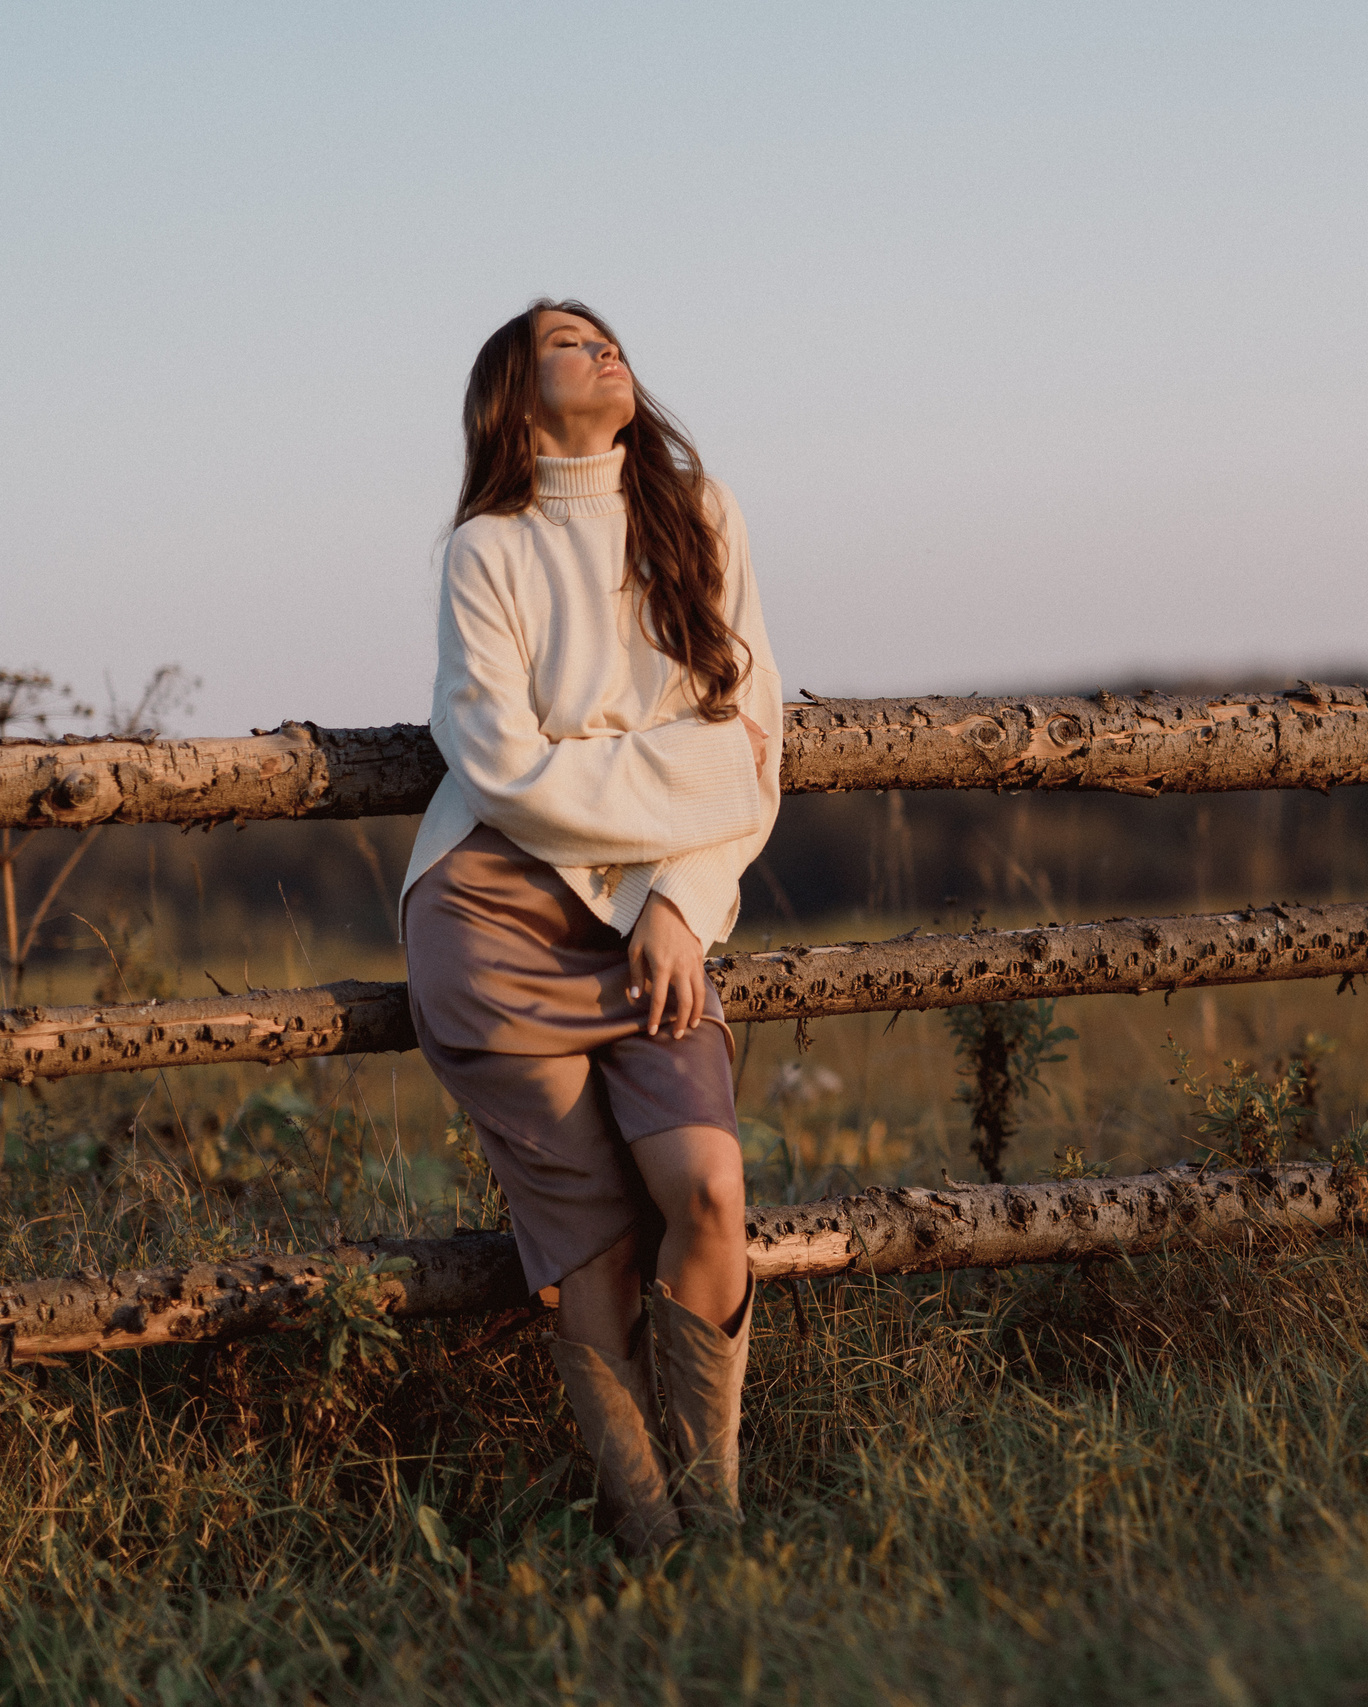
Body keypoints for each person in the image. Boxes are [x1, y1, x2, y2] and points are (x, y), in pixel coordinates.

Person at [398, 299, 781, 1553]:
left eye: (603, 332)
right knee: (597, 1253)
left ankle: (715, 1521)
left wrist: (681, 897)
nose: (601, 346)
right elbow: (503, 770)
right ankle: (652, 1537)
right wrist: (686, 770)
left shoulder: (697, 510)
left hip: (649, 924)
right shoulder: (486, 553)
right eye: (565, 341)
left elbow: (752, 741)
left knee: (708, 1190)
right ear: (514, 395)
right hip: (496, 913)